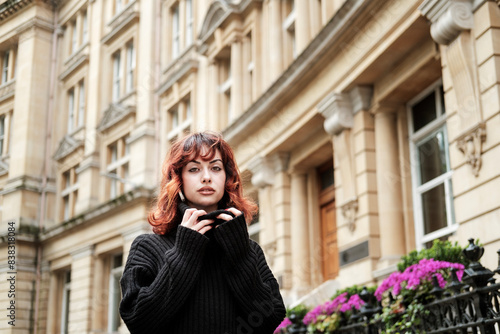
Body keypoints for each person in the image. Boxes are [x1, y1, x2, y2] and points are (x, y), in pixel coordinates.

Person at [119, 132, 286, 333]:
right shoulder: (147, 246)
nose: (206, 177)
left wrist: (239, 255)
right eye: (194, 169)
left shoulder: (249, 250)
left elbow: (271, 319)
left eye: (216, 168)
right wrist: (185, 253)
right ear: (178, 179)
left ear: (227, 178)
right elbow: (139, 322)